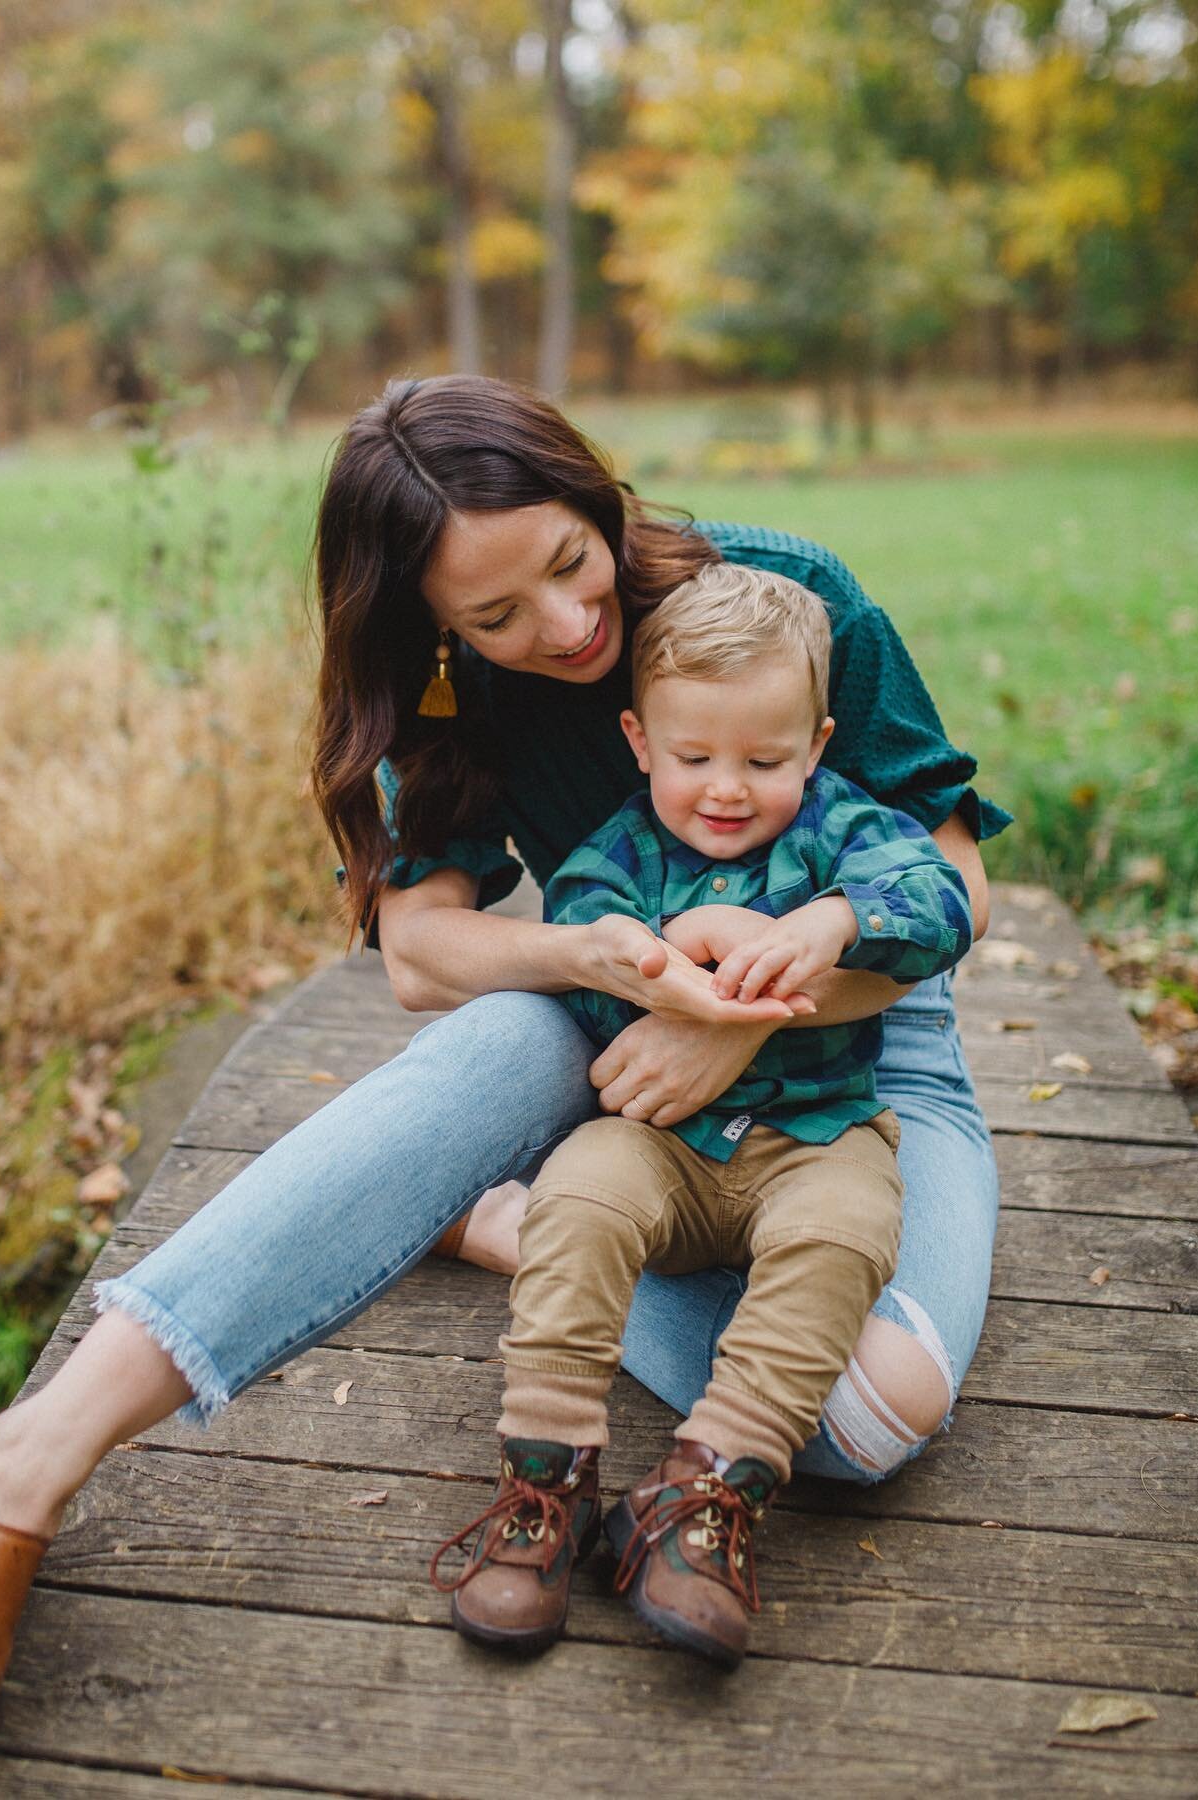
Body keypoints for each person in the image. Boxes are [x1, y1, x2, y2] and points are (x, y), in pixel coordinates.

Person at [0, 375, 1006, 1800]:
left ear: (593, 492)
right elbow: (421, 944)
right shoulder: (453, 697)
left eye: (572, 568)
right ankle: (12, 1476)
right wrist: (597, 957)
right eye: (497, 618)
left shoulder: (778, 597)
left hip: (862, 1048)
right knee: (497, 1038)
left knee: (868, 1425)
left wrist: (752, 1015)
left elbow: (952, 879)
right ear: (438, 630)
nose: (567, 633)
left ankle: (511, 1225)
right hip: (613, 1011)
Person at [430, 563, 972, 1666]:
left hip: (818, 1136)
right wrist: (665, 962)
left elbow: (942, 900)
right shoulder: (616, 858)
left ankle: (707, 1492)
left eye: (765, 761)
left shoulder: (844, 833)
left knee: (844, 1236)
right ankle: (548, 1484)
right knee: (581, 1193)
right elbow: (584, 955)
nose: (727, 789)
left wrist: (833, 918)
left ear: (816, 745)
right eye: (694, 758)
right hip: (661, 1146)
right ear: (639, 740)